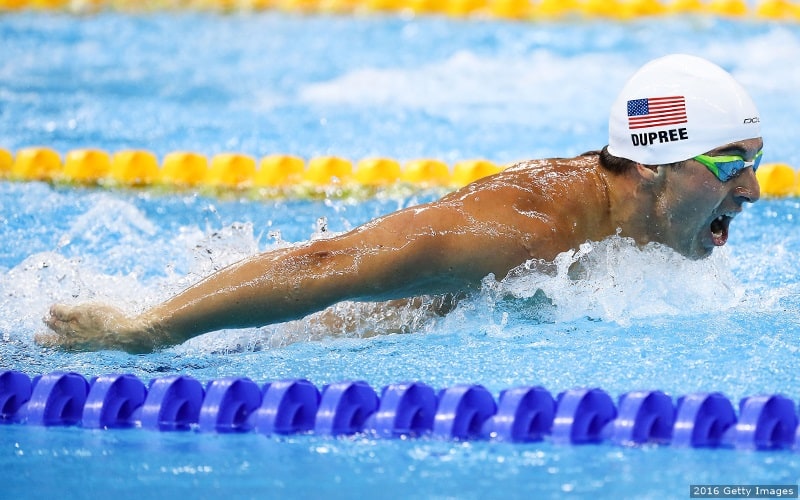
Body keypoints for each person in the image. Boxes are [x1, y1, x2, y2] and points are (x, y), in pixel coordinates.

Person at [37, 54, 763, 353]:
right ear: (650, 162)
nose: (753, 190)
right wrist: (147, 330)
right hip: (310, 335)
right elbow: (333, 261)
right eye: (731, 164)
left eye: (755, 164)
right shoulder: (521, 232)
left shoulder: (640, 219)